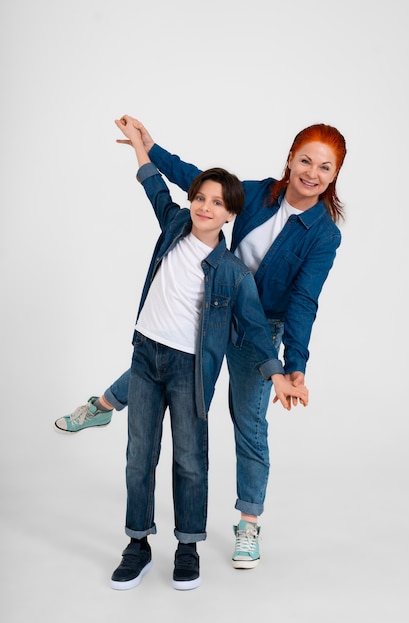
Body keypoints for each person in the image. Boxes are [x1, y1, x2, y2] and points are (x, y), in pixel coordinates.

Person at [56, 117, 346, 570]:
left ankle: (248, 522)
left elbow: (305, 300)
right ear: (289, 160)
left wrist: (294, 364)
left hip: (260, 328)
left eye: (324, 168)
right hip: (213, 304)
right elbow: (197, 182)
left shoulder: (324, 234)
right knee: (166, 362)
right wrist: (150, 149)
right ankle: (104, 406)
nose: (311, 172)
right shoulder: (252, 192)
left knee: (248, 423)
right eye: (305, 159)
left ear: (334, 176)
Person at [105, 115, 308, 592]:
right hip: (144, 355)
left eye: (216, 203)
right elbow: (154, 185)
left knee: (190, 461)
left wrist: (279, 374)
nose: (203, 206)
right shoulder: (175, 222)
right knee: (139, 456)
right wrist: (141, 145)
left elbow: (257, 330)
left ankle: (188, 546)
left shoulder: (233, 272)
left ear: (231, 214)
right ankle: (137, 544)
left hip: (190, 369)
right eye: (199, 197)